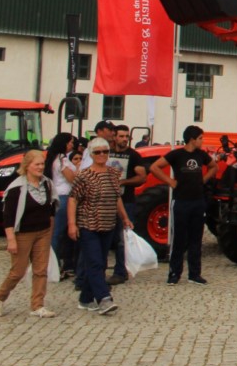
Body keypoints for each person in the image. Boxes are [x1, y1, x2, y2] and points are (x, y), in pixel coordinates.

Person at [149, 126, 221, 285]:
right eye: (200, 138)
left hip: (198, 201)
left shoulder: (201, 155)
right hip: (181, 201)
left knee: (196, 239)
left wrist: (204, 179)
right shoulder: (177, 154)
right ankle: (174, 274)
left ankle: (194, 274)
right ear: (192, 139)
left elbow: (214, 166)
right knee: (179, 239)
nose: (202, 141)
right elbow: (154, 167)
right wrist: (170, 181)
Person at [68, 137, 132, 315]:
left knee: (100, 262)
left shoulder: (113, 173)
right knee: (95, 262)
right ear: (91, 154)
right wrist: (72, 224)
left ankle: (85, 298)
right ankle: (104, 298)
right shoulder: (84, 176)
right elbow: (73, 199)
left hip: (108, 224)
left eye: (105, 151)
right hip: (88, 224)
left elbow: (117, 197)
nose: (102, 155)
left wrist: (125, 218)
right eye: (97, 152)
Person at [0, 150, 59, 317]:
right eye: (36, 164)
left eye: (42, 164)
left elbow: (51, 209)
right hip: (22, 234)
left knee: (41, 270)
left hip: (43, 232)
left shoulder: (47, 184)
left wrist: (50, 232)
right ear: (27, 166)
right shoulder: (16, 188)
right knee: (18, 271)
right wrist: (11, 240)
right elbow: (8, 217)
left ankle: (37, 305)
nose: (40, 167)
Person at [106, 125, 146, 285]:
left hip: (126, 200)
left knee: (123, 239)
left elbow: (142, 177)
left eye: (126, 136)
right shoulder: (106, 153)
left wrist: (123, 181)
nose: (124, 139)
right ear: (115, 137)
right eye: (121, 136)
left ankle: (121, 271)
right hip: (107, 202)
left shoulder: (134, 155)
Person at [45, 133, 78, 279]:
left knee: (57, 233)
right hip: (64, 196)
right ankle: (54, 266)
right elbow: (71, 178)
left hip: (57, 195)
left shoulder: (52, 158)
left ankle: (56, 264)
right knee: (58, 234)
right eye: (70, 142)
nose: (72, 145)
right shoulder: (61, 159)